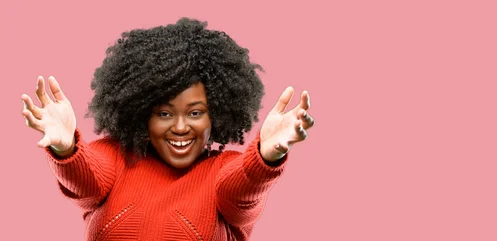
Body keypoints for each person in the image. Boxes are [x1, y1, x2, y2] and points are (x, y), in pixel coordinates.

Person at [20, 18, 315, 241]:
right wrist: (66, 147)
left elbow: (244, 190)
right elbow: (85, 177)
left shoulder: (222, 171)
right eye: (164, 113)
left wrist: (267, 156)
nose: (180, 127)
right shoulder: (116, 158)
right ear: (142, 113)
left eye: (196, 112)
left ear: (216, 115)